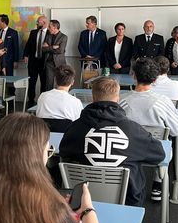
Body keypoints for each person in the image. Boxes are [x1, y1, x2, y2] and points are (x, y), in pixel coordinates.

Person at [59, 77, 166, 206]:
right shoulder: (134, 131)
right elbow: (159, 155)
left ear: (93, 98)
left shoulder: (75, 128)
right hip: (128, 202)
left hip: (82, 200)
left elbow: (64, 152)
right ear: (117, 99)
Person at [119, 58, 178, 202]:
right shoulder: (163, 101)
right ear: (155, 79)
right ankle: (157, 185)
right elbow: (175, 130)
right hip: (154, 152)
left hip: (126, 150)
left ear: (133, 75)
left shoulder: (120, 100)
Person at [23, 15, 49, 106]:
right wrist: (25, 55)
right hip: (33, 61)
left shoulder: (51, 33)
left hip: (45, 62)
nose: (37, 23)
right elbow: (28, 44)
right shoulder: (33, 32)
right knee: (32, 82)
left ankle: (42, 102)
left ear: (44, 22)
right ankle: (31, 101)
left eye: (38, 21)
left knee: (44, 83)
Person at [42, 20, 68, 91]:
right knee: (48, 84)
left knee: (60, 84)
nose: (48, 28)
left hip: (59, 64)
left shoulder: (63, 37)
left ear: (55, 27)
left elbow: (60, 50)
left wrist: (48, 47)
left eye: (50, 27)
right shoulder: (48, 36)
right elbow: (43, 49)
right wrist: (53, 47)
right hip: (49, 63)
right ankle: (49, 100)